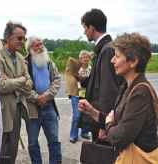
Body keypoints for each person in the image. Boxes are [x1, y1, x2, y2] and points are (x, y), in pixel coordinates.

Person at [79, 33, 158, 163]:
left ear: (133, 61)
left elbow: (119, 137)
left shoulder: (140, 93)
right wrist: (93, 112)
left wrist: (108, 125)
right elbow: (118, 122)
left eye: (117, 56)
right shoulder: (127, 87)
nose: (112, 60)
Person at [80, 8, 123, 141]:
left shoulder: (106, 50)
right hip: (101, 118)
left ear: (92, 28)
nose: (84, 32)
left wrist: (104, 125)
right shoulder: (105, 48)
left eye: (85, 28)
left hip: (102, 121)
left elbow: (108, 91)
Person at [0, 22, 32, 164]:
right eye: (19, 38)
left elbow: (29, 85)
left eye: (24, 38)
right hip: (2, 111)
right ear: (8, 38)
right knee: (0, 150)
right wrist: (22, 80)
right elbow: (0, 85)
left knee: (12, 150)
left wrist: (14, 81)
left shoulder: (20, 58)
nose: (22, 41)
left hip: (17, 110)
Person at [25, 36, 62, 164]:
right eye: (36, 45)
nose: (40, 47)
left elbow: (57, 80)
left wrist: (46, 96)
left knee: (54, 140)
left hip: (49, 106)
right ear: (30, 48)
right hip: (32, 109)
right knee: (33, 143)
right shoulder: (24, 64)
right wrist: (36, 98)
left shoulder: (49, 61)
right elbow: (23, 86)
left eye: (41, 44)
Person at [65, 56, 81, 143]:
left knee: (84, 115)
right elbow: (70, 59)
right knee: (76, 115)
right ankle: (73, 135)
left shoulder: (89, 68)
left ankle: (84, 132)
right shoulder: (70, 71)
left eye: (86, 57)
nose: (85, 59)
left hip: (84, 94)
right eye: (82, 57)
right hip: (75, 95)